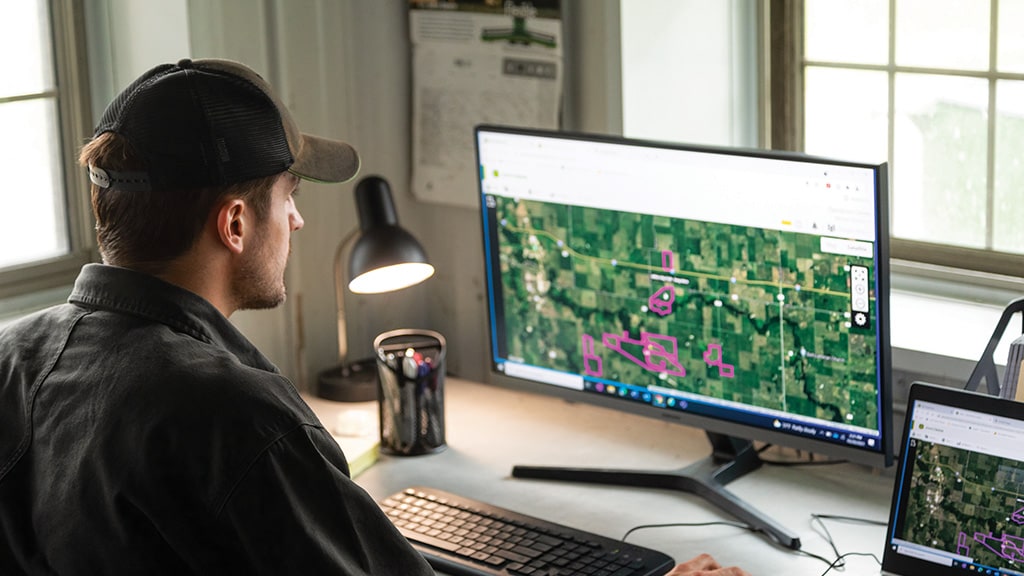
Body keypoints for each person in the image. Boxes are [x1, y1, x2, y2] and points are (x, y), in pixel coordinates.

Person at [0, 58, 747, 576]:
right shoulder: (233, 419)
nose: (295, 222)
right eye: (288, 195)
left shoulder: (14, 357)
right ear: (234, 224)